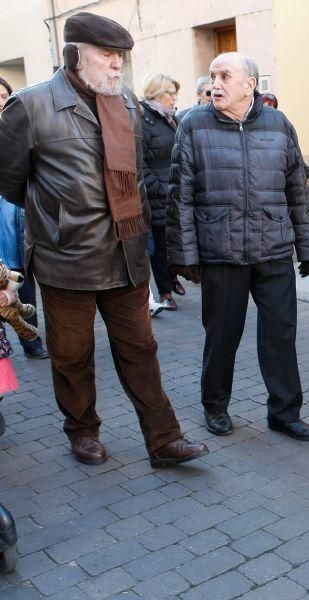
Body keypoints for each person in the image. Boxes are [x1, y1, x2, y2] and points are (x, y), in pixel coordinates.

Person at [0, 12, 208, 467]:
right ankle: (82, 432)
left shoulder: (128, 103)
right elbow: (10, 180)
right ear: (75, 55)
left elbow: (134, 178)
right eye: (107, 55)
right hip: (65, 257)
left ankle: (164, 440)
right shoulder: (31, 106)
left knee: (141, 351)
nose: (117, 66)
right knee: (72, 355)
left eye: (121, 57)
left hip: (126, 253)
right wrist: (55, 215)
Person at [168, 52, 309, 441]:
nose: (214, 84)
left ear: (249, 84)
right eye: (211, 76)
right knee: (222, 335)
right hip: (220, 250)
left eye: (224, 76)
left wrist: (308, 246)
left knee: (280, 334)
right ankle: (215, 406)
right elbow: (180, 195)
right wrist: (185, 256)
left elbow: (296, 190)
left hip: (273, 249)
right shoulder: (193, 125)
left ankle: (284, 413)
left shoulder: (279, 124)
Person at [0, 78, 49, 359]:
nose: (0, 100)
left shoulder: (21, 131)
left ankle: (33, 343)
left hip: (19, 220)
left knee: (24, 284)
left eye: (4, 94)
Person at [140, 73, 185, 310]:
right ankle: (165, 291)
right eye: (171, 93)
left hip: (173, 190)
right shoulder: (141, 117)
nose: (174, 98)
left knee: (172, 241)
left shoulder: (171, 118)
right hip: (156, 194)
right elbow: (139, 160)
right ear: (156, 92)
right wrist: (156, 187)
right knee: (158, 245)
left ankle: (173, 277)